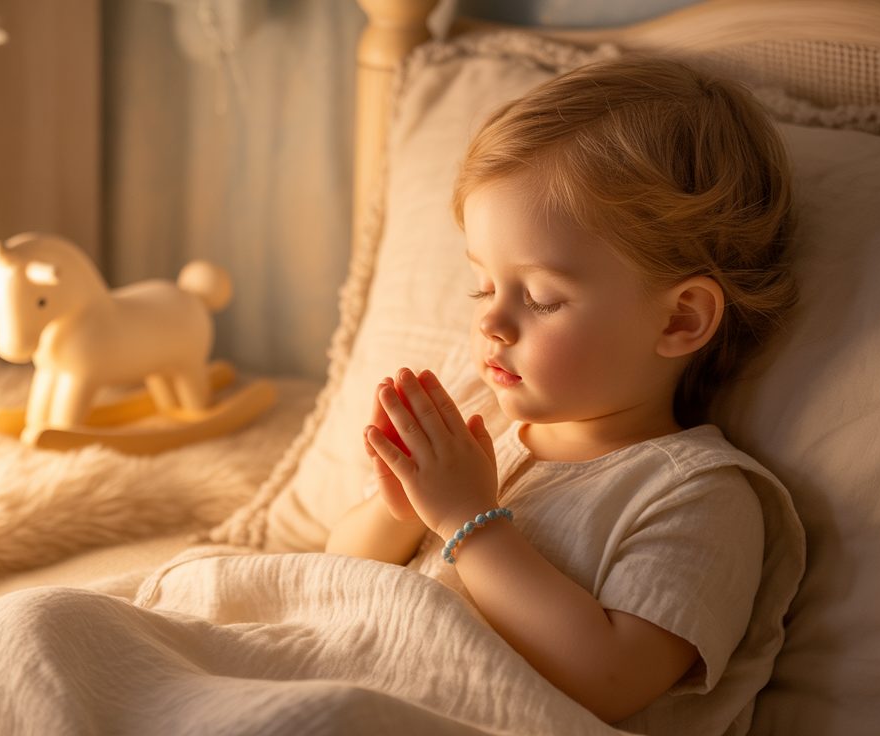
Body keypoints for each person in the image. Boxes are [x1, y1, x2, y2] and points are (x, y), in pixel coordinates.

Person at [325, 57, 805, 734]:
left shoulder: (698, 496)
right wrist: (401, 507)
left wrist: (469, 521)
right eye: (483, 287)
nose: (491, 322)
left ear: (679, 320)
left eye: (542, 298)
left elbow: (611, 681)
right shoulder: (477, 418)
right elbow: (335, 575)